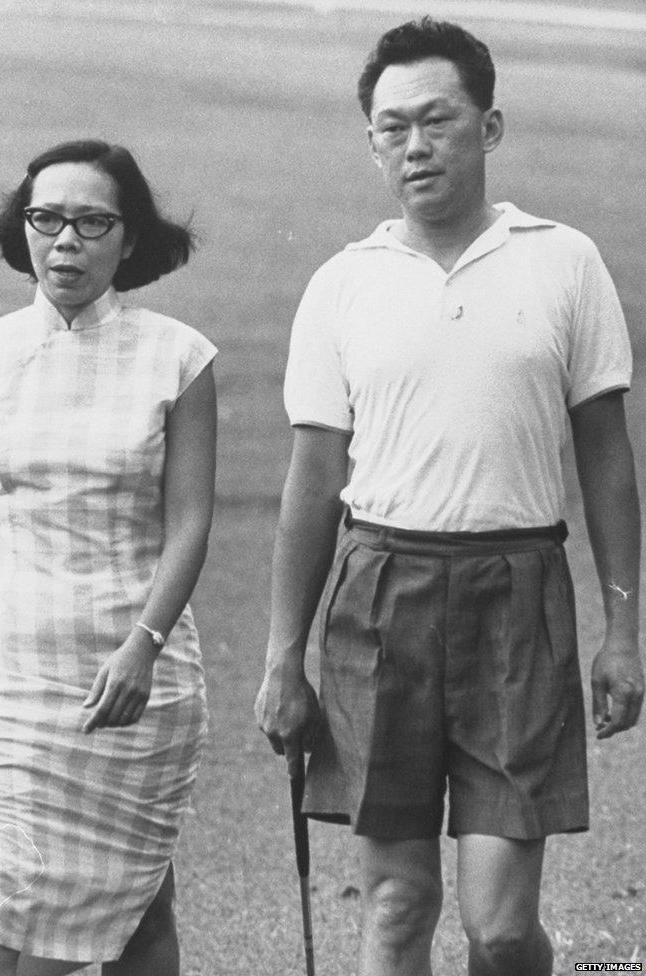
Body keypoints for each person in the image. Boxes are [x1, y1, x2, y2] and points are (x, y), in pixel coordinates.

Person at [255, 17, 643, 976]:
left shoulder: (563, 260)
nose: (415, 146)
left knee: (501, 927)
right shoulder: (343, 283)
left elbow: (606, 458)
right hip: (380, 597)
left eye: (438, 120)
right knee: (396, 905)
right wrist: (282, 657)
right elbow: (312, 481)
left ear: (490, 126)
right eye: (393, 128)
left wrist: (624, 629)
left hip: (519, 595)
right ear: (372, 141)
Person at [0, 139, 217, 976]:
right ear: (22, 229)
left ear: (130, 239)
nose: (66, 241)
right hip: (1, 677)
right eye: (46, 219)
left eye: (93, 222)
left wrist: (144, 645)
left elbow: (191, 524)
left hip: (134, 680)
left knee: (137, 914)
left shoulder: (180, 359)